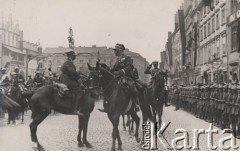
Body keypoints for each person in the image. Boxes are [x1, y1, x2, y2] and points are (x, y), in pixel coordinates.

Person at [98, 43, 140, 112]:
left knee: (132, 87)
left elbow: (128, 67)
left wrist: (119, 72)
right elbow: (114, 69)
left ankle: (136, 104)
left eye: (116, 50)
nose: (114, 52)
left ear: (120, 50)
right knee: (107, 87)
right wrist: (107, 70)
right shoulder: (117, 60)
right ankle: (107, 106)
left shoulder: (127, 58)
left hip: (126, 77)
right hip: (117, 77)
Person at [59, 49, 84, 116]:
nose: (75, 57)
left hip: (65, 78)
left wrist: (79, 74)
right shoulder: (69, 63)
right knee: (78, 90)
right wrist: (78, 78)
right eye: (74, 56)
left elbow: (72, 72)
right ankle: (74, 109)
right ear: (71, 56)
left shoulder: (68, 62)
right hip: (66, 79)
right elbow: (72, 72)